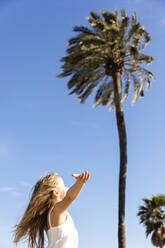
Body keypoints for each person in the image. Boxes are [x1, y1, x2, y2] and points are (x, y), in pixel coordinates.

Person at [13, 170, 90, 248]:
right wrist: (80, 183)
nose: (67, 187)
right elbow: (70, 197)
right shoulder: (56, 211)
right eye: (64, 185)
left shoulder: (53, 213)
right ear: (56, 193)